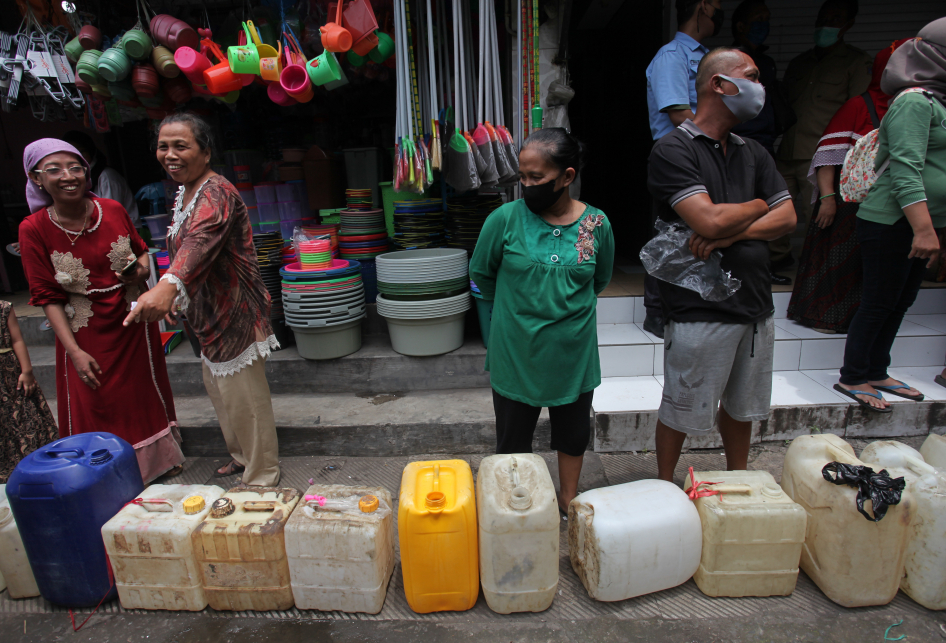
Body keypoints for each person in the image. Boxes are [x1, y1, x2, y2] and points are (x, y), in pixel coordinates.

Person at [646, 47, 797, 482]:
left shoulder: (754, 151)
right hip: (698, 306)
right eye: (751, 76)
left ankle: (740, 479)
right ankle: (663, 484)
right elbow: (706, 219)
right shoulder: (673, 149)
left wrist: (733, 233)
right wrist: (755, 204)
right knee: (682, 407)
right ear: (719, 84)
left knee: (742, 406)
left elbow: (786, 217)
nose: (760, 87)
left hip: (755, 302)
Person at [18, 139, 183, 484]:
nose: (68, 176)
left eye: (75, 167)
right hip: (83, 329)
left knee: (142, 393)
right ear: (36, 178)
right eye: (54, 170)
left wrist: (138, 274)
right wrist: (74, 351)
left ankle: (158, 462)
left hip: (131, 319)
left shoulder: (112, 209)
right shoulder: (33, 229)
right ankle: (109, 475)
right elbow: (47, 296)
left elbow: (142, 254)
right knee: (97, 400)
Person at [129, 113, 281, 487]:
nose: (170, 154)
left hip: (235, 314)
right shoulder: (187, 191)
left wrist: (167, 287)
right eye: (163, 146)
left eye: (181, 145)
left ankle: (263, 475)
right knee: (224, 397)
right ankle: (242, 458)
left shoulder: (216, 193)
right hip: (206, 315)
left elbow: (200, 241)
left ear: (205, 150)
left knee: (247, 403)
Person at [469, 128, 614, 515]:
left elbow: (598, 280)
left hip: (572, 352)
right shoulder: (505, 220)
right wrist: (515, 314)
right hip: (517, 351)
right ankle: (517, 505)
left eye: (537, 178)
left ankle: (569, 496)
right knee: (513, 438)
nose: (527, 185)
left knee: (573, 433)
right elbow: (481, 274)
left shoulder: (594, 226)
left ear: (566, 177)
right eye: (523, 176)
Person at [834, 18, 946, 411]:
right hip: (892, 222)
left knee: (900, 301)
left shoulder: (939, 102)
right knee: (879, 300)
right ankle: (853, 376)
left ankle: (877, 370)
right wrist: (923, 229)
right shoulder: (914, 102)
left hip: (920, 224)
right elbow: (905, 168)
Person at [788, 40, 909, 334]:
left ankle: (858, 320)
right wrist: (827, 199)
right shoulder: (858, 104)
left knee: (870, 268)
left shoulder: (907, 108)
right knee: (839, 263)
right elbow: (827, 156)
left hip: (884, 205)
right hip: (845, 205)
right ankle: (827, 317)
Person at [771, 0, 871, 275]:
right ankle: (779, 262)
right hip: (787, 150)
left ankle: (813, 272)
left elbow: (858, 111)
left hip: (821, 155)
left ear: (848, 24)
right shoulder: (799, 63)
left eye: (836, 17)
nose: (827, 23)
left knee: (818, 216)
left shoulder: (856, 62)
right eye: (823, 17)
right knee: (775, 209)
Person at [643, 0, 721, 337]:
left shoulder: (704, 56)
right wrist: (717, 140)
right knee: (668, 233)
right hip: (678, 155)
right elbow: (678, 114)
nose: (720, 10)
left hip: (699, 152)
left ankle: (689, 302)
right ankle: (656, 312)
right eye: (717, 3)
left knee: (695, 232)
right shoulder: (672, 55)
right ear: (703, 5)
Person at [0, 300, 59, 483]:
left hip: (9, 374)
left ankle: (35, 462)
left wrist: (26, 371)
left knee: (23, 416)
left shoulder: (3, 308)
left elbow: (17, 340)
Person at [62, 130, 141, 229]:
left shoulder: (106, 177)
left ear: (91, 151)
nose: (78, 157)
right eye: (73, 153)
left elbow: (111, 215)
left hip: (123, 229)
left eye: (82, 151)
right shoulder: (75, 178)